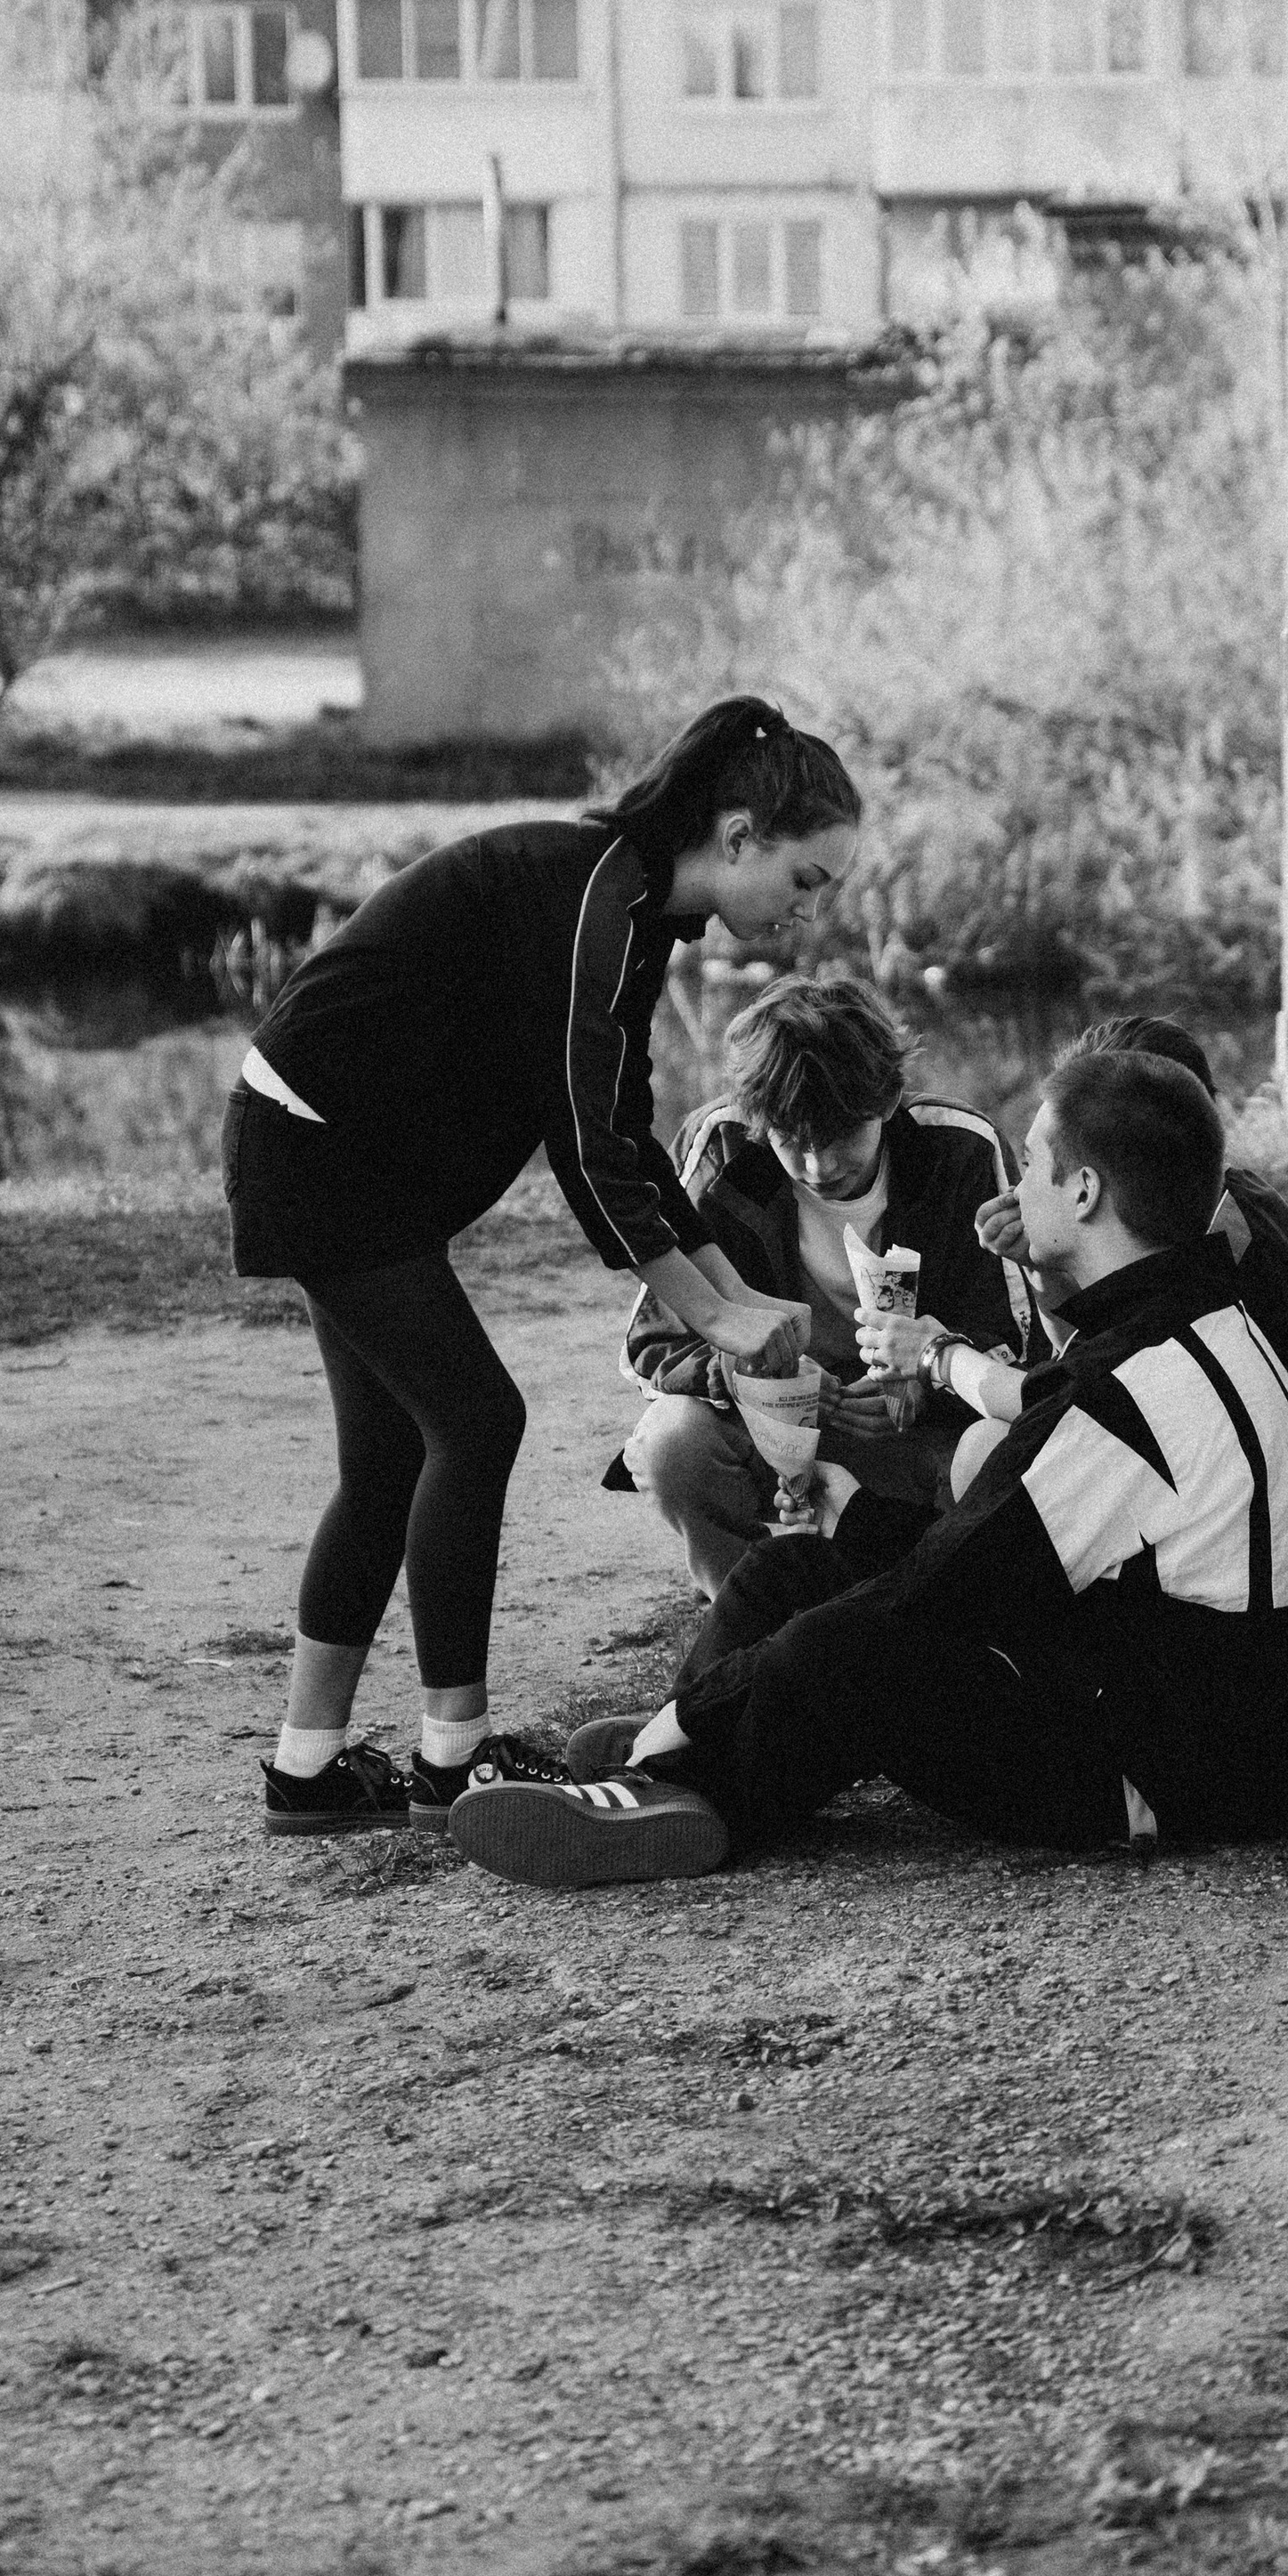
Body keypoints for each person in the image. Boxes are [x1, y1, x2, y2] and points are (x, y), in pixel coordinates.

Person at [445, 1049, 1288, 1889]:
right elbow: (999, 1550)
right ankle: (685, 1765)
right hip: (1132, 1671)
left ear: (1084, 1191)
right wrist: (853, 1514)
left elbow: (941, 1587)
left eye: (1031, 1166)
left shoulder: (1122, 1391)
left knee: (848, 1646)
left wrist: (707, 1707)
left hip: (1157, 1776)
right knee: (801, 1565)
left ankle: (681, 1765)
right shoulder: (1187, 1316)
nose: (1015, 1190)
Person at [223, 698, 854, 1838]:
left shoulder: (636, 909)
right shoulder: (599, 900)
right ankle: (452, 1763)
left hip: (340, 1152)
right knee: (475, 1423)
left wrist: (732, 1291)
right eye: (808, 880)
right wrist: (707, 1314)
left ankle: (306, 1772)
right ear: (739, 835)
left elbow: (621, 1121)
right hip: (320, 1146)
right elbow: (582, 1140)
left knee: (389, 1456)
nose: (812, 911)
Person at [855, 1010, 1288, 1702]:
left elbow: (1078, 1404)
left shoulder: (1216, 1250)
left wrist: (940, 1356)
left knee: (987, 1454)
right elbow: (1088, 1372)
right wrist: (1048, 1263)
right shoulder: (1224, 1212)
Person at [612, 973, 1039, 1590]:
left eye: (841, 1138)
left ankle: (934, 1592)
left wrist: (930, 1376)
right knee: (671, 1440)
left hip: (913, 1439)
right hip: (772, 1432)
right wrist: (749, 1378)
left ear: (888, 1099)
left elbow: (1019, 1349)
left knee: (1003, 1447)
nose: (818, 1166)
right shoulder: (721, 1148)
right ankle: (745, 1606)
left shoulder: (962, 1151)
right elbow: (650, 1346)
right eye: (791, 1141)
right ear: (760, 1120)